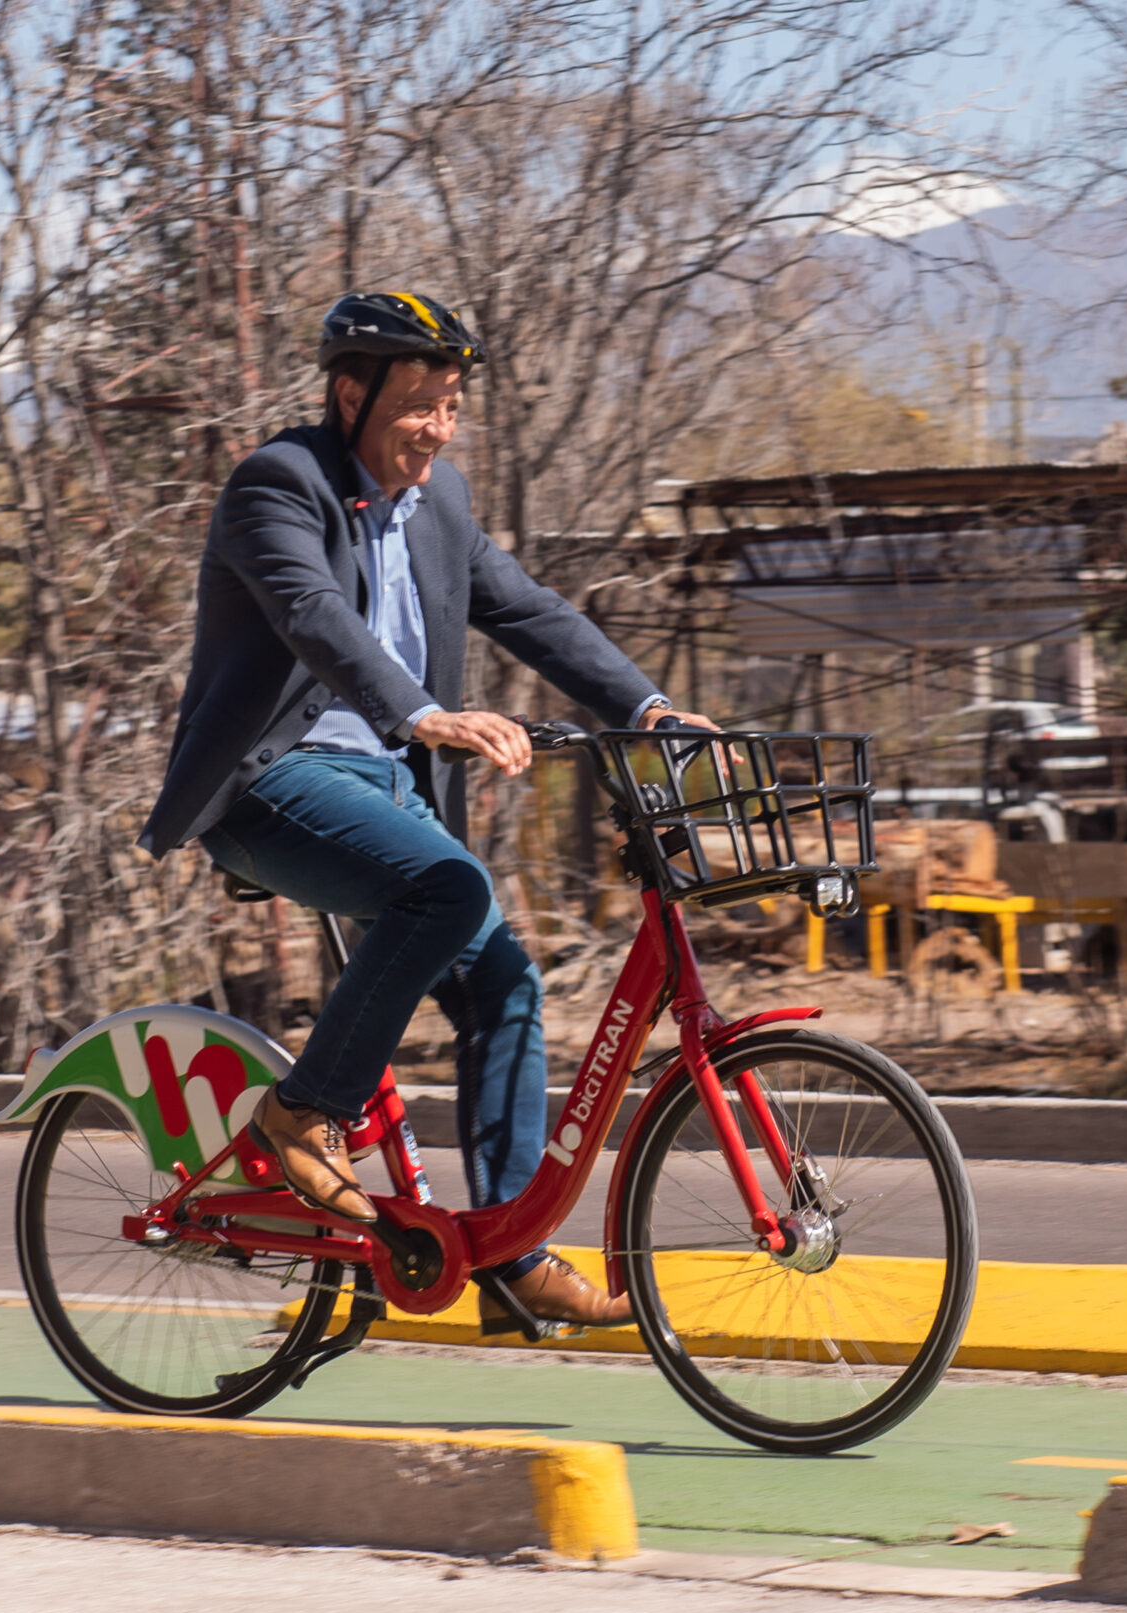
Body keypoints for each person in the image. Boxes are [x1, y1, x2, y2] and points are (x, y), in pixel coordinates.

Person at [138, 291, 718, 1331]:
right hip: (275, 780)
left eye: (450, 406)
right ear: (349, 393)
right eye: (417, 404)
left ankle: (506, 1251)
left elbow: (530, 607)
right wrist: (424, 711)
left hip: (389, 789)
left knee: (507, 988)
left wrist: (647, 703)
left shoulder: (439, 503)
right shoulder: (279, 483)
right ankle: (299, 1116)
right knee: (450, 885)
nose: (438, 428)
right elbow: (314, 616)